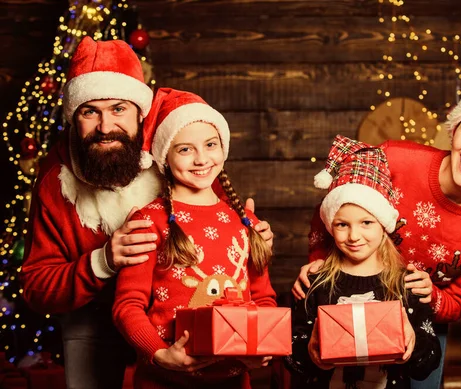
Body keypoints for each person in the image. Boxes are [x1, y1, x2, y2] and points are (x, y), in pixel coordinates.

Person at [20, 37, 272, 389]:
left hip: (179, 319)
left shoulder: (174, 152)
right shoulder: (55, 182)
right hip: (95, 318)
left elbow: (219, 235)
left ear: (141, 112)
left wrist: (252, 236)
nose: (106, 127)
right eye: (89, 112)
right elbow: (35, 288)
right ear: (73, 119)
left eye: (119, 109)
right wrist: (101, 262)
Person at [293, 85, 461, 388]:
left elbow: (459, 301)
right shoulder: (397, 159)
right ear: (453, 131)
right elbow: (336, 207)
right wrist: (320, 266)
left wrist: (431, 295)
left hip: (421, 321)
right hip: (348, 301)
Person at [112, 88, 277, 389]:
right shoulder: (149, 221)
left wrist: (260, 346)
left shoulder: (246, 223)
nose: (201, 159)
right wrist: (159, 353)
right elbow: (128, 305)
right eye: (185, 149)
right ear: (165, 157)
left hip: (234, 381)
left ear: (223, 148)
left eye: (210, 144)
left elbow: (263, 298)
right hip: (165, 381)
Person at [285, 135, 441, 389]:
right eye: (342, 225)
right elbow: (291, 355)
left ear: (383, 225)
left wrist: (413, 344)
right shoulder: (315, 283)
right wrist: (310, 352)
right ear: (330, 227)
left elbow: (427, 364)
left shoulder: (407, 284)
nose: (354, 236)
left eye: (366, 222)